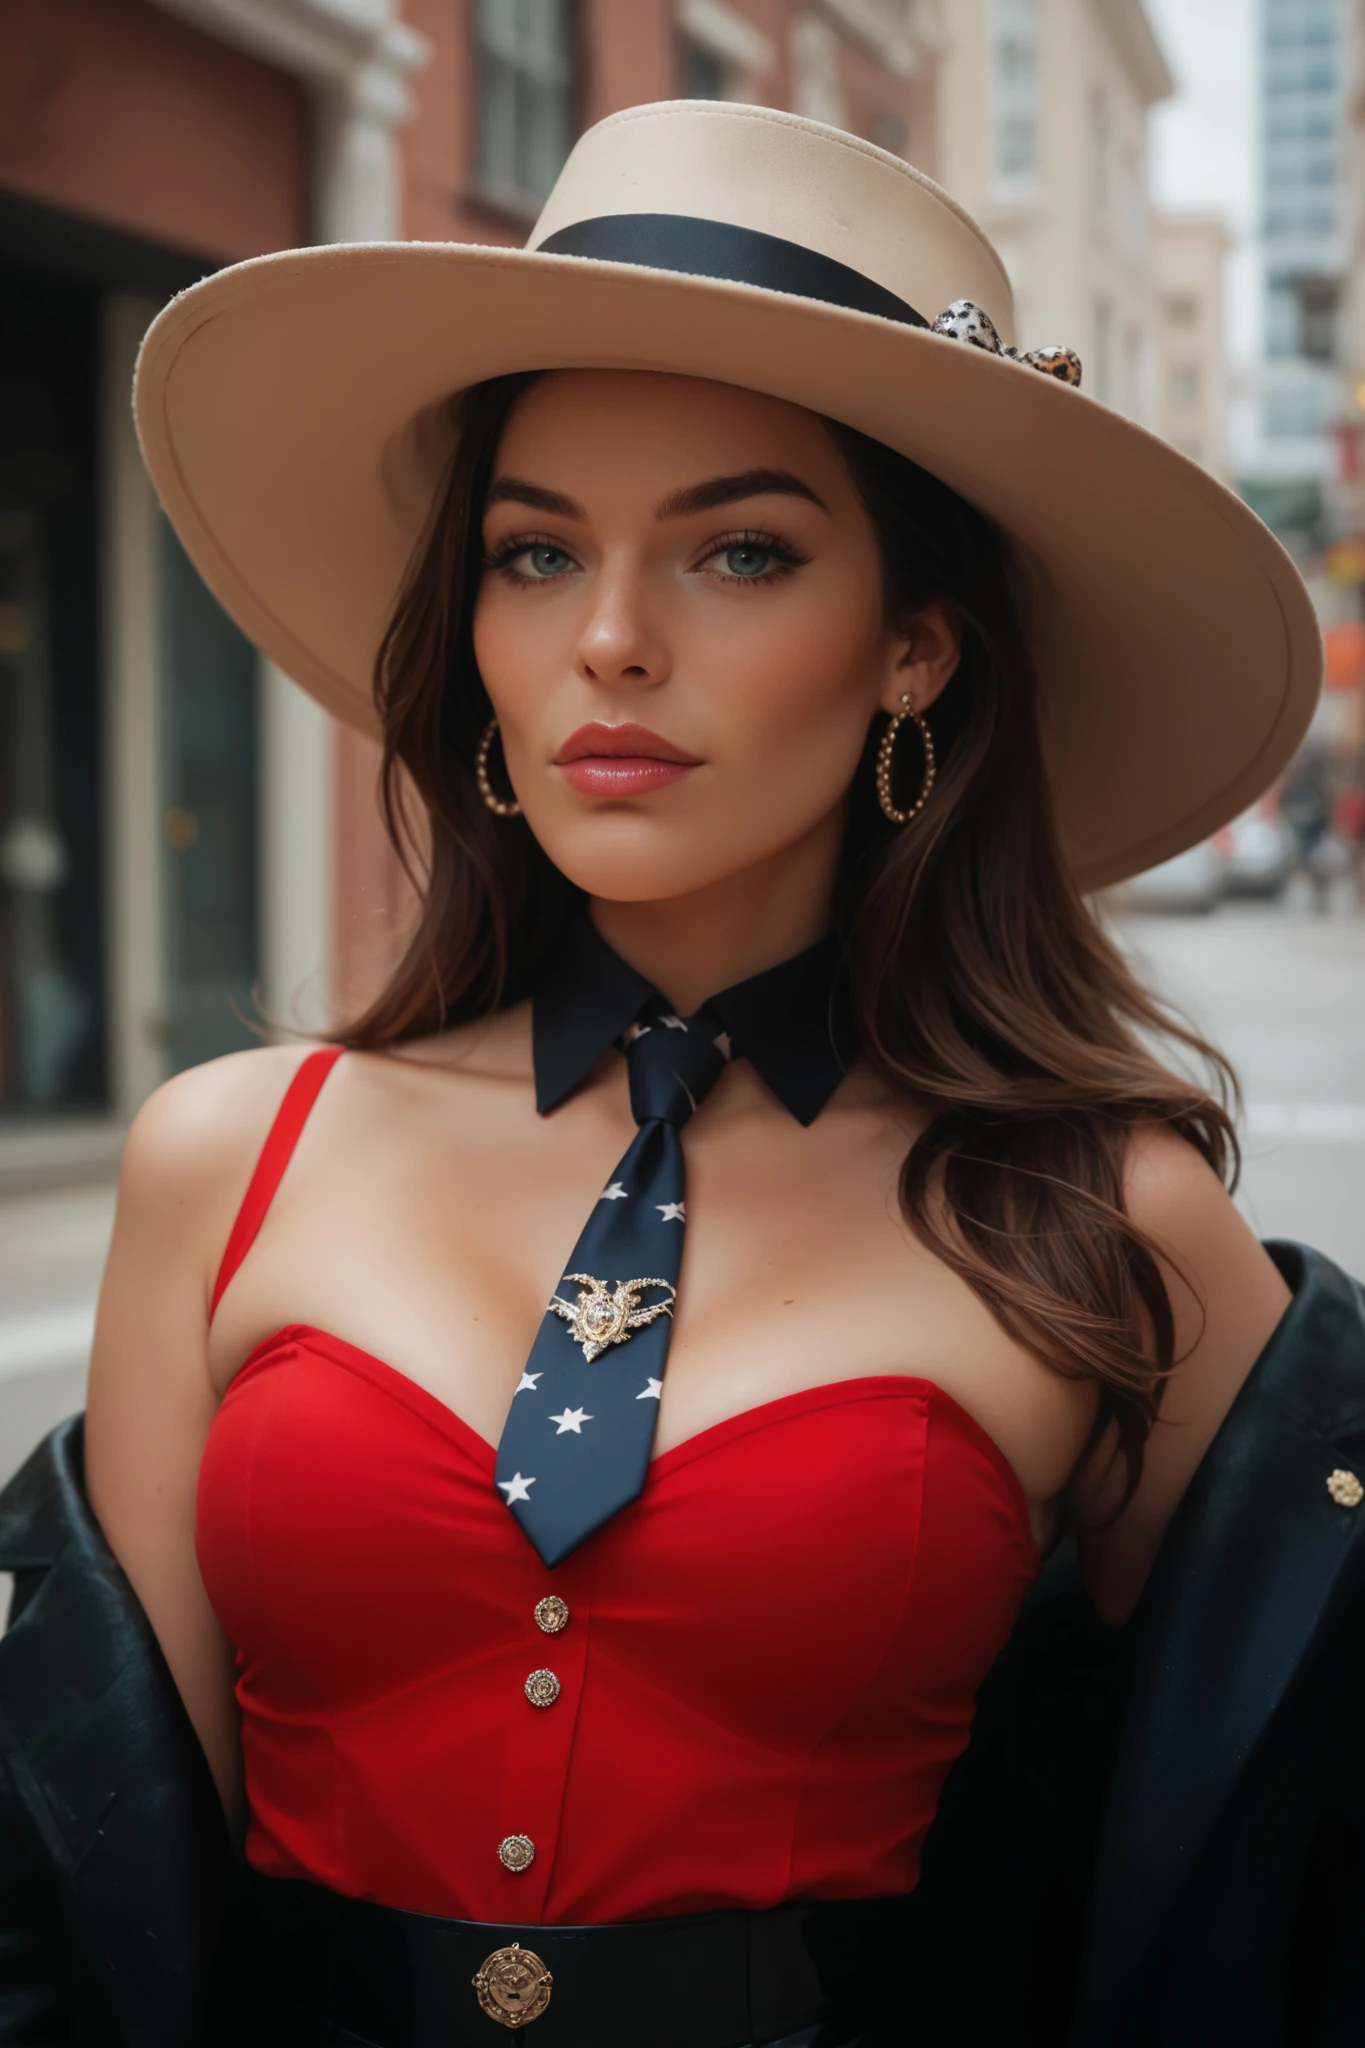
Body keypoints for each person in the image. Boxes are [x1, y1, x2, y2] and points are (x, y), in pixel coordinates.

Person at [1, 101, 1358, 2048]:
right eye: (534, 552)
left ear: (911, 647)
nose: (609, 645)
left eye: (736, 549)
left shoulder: (1100, 1219)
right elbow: (84, 1882)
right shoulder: (229, 1162)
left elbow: (1261, 1853)